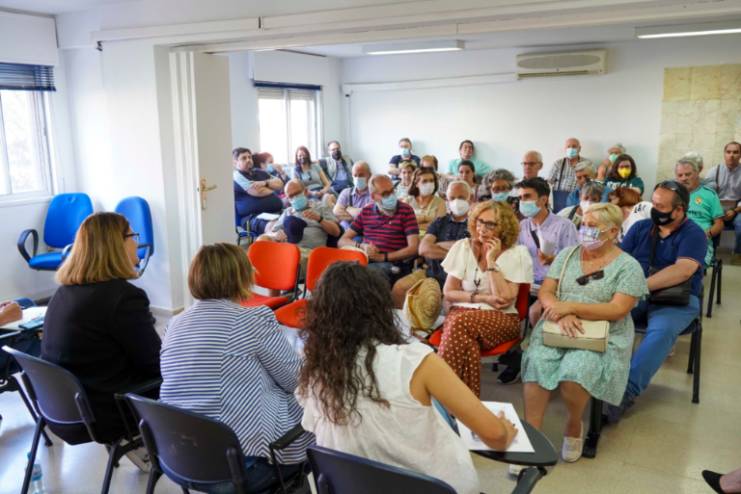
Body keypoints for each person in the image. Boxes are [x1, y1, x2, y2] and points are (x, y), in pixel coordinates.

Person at [296, 262, 517, 494]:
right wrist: (504, 430)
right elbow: (496, 437)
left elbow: (315, 430)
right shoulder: (415, 361)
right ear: (381, 308)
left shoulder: (316, 370)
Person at [161, 243, 313, 491]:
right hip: (241, 468)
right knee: (319, 409)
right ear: (240, 277)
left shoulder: (174, 325)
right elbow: (297, 381)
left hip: (182, 459)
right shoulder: (252, 320)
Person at [521, 203, 647, 463]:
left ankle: (574, 424)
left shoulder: (628, 266)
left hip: (603, 332)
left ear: (613, 231)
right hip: (558, 323)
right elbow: (546, 291)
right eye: (584, 225)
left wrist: (572, 308)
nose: (585, 231)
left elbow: (617, 309)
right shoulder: (567, 255)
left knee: (575, 372)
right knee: (537, 363)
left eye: (593, 226)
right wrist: (560, 311)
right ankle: (531, 435)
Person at [42, 212, 161, 445]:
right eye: (132, 236)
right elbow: (154, 364)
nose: (136, 243)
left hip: (62, 409)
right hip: (108, 413)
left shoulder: (63, 292)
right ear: (116, 244)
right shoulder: (123, 298)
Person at [610, 181, 707, 422]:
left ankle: (624, 393)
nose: (655, 210)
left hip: (676, 298)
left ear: (679, 209)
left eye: (661, 207)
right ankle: (598, 378)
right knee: (605, 317)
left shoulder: (694, 234)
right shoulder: (641, 228)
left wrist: (639, 287)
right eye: (654, 204)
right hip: (635, 293)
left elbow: (682, 271)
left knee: (661, 333)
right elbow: (618, 261)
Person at [438, 200, 533, 396]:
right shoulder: (462, 247)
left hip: (501, 318)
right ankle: (464, 404)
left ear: (504, 227)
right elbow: (448, 292)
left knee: (459, 323)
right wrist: (482, 299)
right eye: (480, 221)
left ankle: (441, 395)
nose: (482, 228)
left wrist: (491, 261)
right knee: (467, 343)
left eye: (490, 224)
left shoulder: (517, 253)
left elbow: (503, 299)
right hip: (462, 316)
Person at [496, 178, 578, 385]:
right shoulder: (521, 226)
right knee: (503, 303)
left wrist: (553, 259)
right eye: (520, 197)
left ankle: (533, 356)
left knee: (534, 311)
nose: (522, 202)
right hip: (527, 282)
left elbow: (573, 262)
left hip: (553, 284)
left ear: (543, 200)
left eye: (527, 197)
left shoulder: (564, 226)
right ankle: (516, 351)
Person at [390, 180, 472, 307]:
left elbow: (471, 251)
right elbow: (423, 249)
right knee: (399, 288)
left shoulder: (476, 223)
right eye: (452, 198)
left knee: (449, 304)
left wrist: (438, 245)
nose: (456, 202)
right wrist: (457, 251)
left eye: (461, 197)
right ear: (447, 200)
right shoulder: (440, 222)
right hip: (431, 272)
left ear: (469, 198)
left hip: (461, 279)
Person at [338, 174, 419, 285]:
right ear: (373, 197)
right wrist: (362, 246)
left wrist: (383, 257)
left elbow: (413, 248)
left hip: (393, 264)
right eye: (385, 194)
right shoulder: (366, 212)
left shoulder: (405, 211)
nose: (391, 196)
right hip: (365, 260)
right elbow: (342, 241)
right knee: (339, 274)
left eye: (392, 191)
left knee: (360, 277)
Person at [261, 180, 341, 250]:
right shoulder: (287, 212)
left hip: (311, 252)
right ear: (288, 199)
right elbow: (272, 232)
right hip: (289, 252)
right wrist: (275, 235)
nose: (295, 198)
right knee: (262, 240)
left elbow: (336, 232)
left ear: (305, 192)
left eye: (297, 193)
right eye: (291, 196)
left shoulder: (320, 207)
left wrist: (319, 219)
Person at [675, 155, 724, 265]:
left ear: (697, 174)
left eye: (688, 174)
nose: (683, 178)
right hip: (674, 239)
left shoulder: (709, 195)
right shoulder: (672, 194)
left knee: (686, 264)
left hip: (699, 239)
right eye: (680, 175)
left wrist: (707, 234)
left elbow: (719, 223)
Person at [704, 141, 741, 264]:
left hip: (737, 210)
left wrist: (734, 211)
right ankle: (710, 254)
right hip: (716, 209)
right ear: (724, 154)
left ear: (740, 155)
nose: (731, 155)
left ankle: (738, 255)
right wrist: (717, 212)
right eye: (728, 152)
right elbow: (706, 194)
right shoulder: (714, 171)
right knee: (710, 224)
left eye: (735, 152)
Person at [233, 147, 284, 232]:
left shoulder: (259, 172)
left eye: (249, 157)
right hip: (253, 217)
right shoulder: (237, 176)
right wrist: (272, 188)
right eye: (244, 158)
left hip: (276, 212)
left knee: (295, 219)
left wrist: (265, 183)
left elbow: (280, 183)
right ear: (235, 162)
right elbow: (257, 191)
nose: (248, 160)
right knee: (275, 228)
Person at [548, 137, 592, 213]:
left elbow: (591, 182)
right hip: (559, 198)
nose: (571, 149)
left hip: (579, 198)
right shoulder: (558, 163)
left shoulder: (587, 163)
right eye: (568, 147)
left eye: (574, 146)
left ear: (579, 148)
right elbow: (549, 183)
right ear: (565, 149)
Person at [401, 167, 446, 233]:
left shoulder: (440, 202)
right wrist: (426, 219)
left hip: (432, 237)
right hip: (409, 237)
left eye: (431, 181)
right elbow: (402, 224)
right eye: (425, 181)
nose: (429, 184)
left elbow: (439, 226)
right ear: (416, 184)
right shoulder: (407, 201)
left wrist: (416, 222)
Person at [333, 161, 373, 230]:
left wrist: (348, 209)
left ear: (369, 175)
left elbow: (369, 216)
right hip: (344, 230)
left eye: (361, 175)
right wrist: (358, 215)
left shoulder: (374, 194)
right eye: (355, 175)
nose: (357, 178)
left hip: (362, 232)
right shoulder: (346, 192)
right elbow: (336, 212)